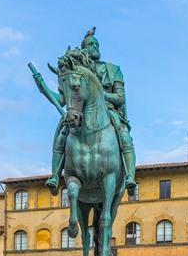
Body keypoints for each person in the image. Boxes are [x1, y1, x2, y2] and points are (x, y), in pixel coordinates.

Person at [36, 27, 137, 195]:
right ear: (84, 49)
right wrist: (43, 87)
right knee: (62, 134)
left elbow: (120, 98)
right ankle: (54, 176)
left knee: (123, 133)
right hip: (79, 112)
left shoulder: (113, 69)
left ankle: (129, 176)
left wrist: (101, 94)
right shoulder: (75, 73)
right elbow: (62, 100)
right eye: (91, 44)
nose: (95, 47)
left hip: (107, 111)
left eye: (96, 44)